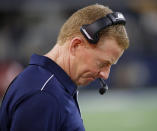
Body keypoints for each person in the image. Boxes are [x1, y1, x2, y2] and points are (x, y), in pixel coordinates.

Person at [0, 4, 129, 131]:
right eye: (102, 63)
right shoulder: (44, 95)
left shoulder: (46, 84)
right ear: (76, 45)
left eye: (110, 66)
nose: (105, 75)